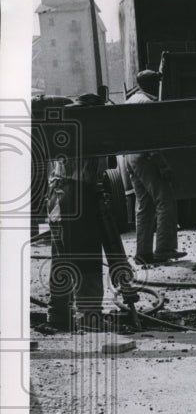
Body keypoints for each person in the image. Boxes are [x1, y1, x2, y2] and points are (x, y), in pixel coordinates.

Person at [46, 94, 139, 330]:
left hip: (58, 194)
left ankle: (58, 315)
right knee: (86, 257)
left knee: (63, 258)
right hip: (78, 194)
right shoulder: (90, 131)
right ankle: (89, 316)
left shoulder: (67, 127)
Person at [124, 69, 185, 265]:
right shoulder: (149, 104)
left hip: (132, 157)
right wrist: (163, 164)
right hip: (147, 157)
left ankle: (143, 253)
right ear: (152, 84)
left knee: (144, 206)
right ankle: (165, 249)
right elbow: (151, 138)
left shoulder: (131, 100)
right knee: (165, 201)